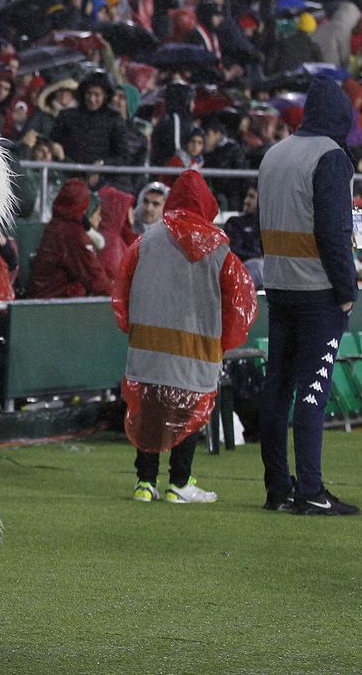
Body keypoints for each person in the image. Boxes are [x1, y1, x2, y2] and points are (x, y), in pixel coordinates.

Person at [114, 170, 256, 503]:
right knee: (188, 416)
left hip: (149, 348)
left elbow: (122, 290)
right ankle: (179, 483)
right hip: (196, 350)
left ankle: (145, 483)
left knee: (150, 415)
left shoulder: (146, 241)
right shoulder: (219, 249)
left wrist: (133, 328)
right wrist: (223, 341)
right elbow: (239, 301)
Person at [256, 76, 359, 515]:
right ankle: (311, 491)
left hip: (279, 286)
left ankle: (278, 487)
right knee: (313, 390)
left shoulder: (274, 154)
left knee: (277, 388)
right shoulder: (331, 157)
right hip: (318, 290)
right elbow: (332, 232)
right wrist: (347, 289)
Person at [25, 179, 111, 298]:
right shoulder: (72, 234)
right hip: (57, 301)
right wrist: (116, 294)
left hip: (44, 297)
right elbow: (94, 277)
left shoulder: (55, 225)